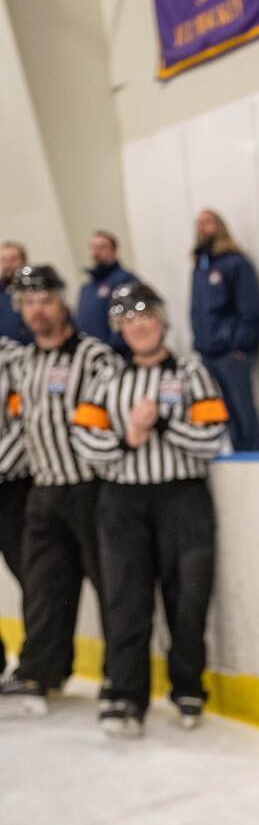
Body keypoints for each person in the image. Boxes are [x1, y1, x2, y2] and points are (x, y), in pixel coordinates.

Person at [70, 281, 228, 739]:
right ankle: (125, 694)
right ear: (120, 328)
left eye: (146, 316)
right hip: (122, 502)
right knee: (126, 600)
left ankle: (187, 686)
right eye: (129, 319)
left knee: (188, 597)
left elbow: (212, 435)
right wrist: (128, 438)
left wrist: (160, 423)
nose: (139, 325)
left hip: (182, 498)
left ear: (161, 320)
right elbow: (85, 440)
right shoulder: (107, 378)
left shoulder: (191, 371)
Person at [0, 265, 118, 713]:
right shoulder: (24, 363)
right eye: (27, 303)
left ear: (62, 301)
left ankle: (119, 677)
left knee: (111, 587)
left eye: (43, 300)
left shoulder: (95, 357)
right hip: (42, 490)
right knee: (44, 588)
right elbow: (20, 427)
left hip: (89, 489)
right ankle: (39, 672)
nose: (36, 311)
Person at [190, 208, 259, 451]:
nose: (203, 228)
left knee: (244, 410)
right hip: (208, 352)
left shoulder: (235, 263)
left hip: (231, 352)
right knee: (224, 412)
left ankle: (254, 456)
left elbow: (250, 307)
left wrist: (241, 345)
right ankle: (238, 456)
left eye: (208, 222)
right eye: (199, 223)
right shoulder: (199, 269)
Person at [0, 336, 30, 677]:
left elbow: (26, 422)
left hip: (12, 487)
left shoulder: (15, 358)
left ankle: (39, 664)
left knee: (31, 576)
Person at [75, 231, 134, 354]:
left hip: (116, 354)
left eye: (102, 247)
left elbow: (130, 319)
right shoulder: (87, 288)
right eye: (93, 247)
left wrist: (112, 346)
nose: (96, 252)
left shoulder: (124, 281)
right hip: (89, 355)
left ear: (114, 251)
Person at [0, 241, 33, 348]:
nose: (8, 264)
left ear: (24, 261)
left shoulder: (39, 291)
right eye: (4, 260)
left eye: (13, 259)